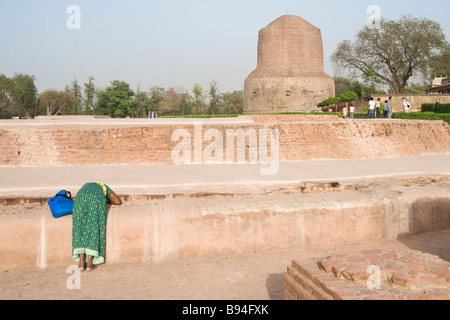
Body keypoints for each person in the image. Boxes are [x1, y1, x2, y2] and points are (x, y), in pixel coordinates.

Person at [72, 182, 122, 272]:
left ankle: (81, 264)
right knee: (93, 227)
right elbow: (118, 201)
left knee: (79, 228)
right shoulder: (104, 187)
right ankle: (89, 264)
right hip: (96, 199)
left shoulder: (85, 186)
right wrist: (106, 200)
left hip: (80, 198)